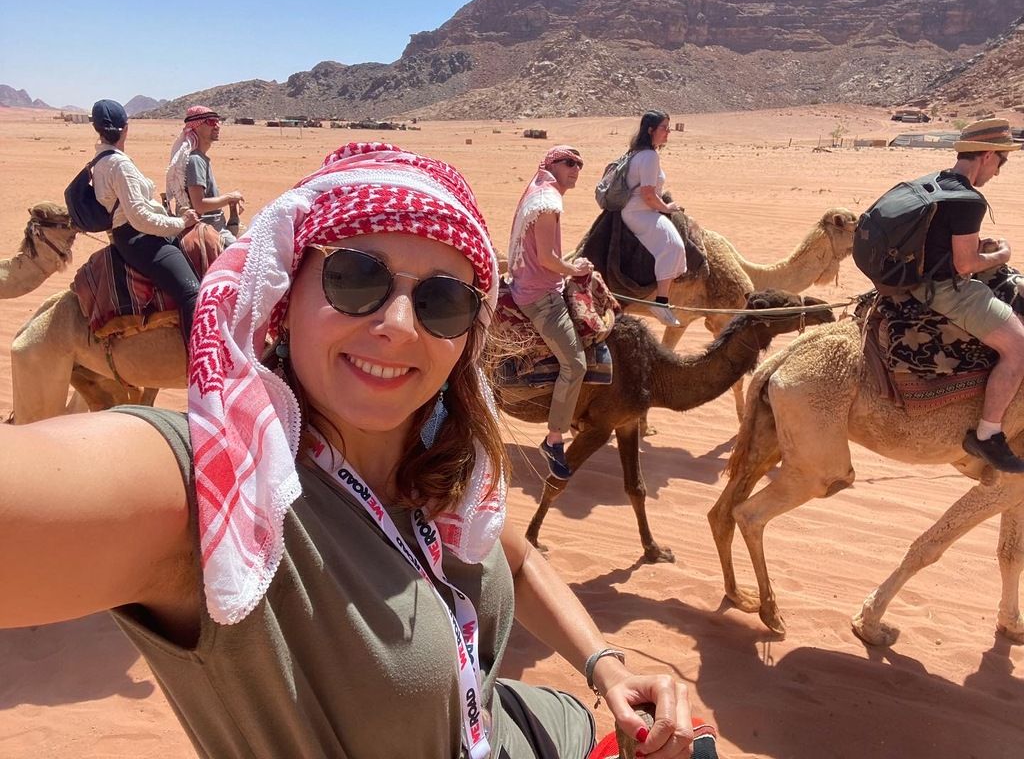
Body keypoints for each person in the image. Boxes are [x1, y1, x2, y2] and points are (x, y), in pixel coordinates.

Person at [2, 143, 706, 758]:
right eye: (356, 279)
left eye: (442, 303)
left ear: (468, 333)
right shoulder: (219, 489)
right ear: (285, 291)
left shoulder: (438, 455)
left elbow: (509, 557)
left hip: (537, 729)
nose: (399, 326)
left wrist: (605, 663)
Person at [906, 118, 1024, 472]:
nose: (999, 171)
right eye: (1001, 161)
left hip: (914, 278)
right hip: (943, 290)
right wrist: (1000, 255)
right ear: (988, 155)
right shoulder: (968, 199)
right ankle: (988, 434)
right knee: (1019, 348)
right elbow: (965, 265)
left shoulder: (934, 182)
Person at [508, 146, 592, 480]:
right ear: (551, 165)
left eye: (579, 165)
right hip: (540, 296)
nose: (575, 169)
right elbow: (546, 259)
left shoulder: (540, 192)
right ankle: (554, 438)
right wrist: (576, 269)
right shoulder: (548, 202)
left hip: (536, 284)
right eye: (569, 163)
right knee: (576, 364)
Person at [89, 98, 201, 345]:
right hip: (139, 238)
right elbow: (139, 217)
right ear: (126, 128)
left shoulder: (100, 162)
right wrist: (180, 223)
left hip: (131, 235)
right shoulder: (119, 165)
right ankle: (200, 367)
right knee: (192, 292)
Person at [620, 110, 688, 327]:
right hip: (640, 213)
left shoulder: (638, 153)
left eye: (668, 127)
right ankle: (661, 302)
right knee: (674, 246)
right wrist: (667, 208)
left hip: (637, 210)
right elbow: (648, 194)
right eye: (664, 128)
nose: (668, 132)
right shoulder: (649, 156)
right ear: (650, 130)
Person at [166, 105, 245, 246]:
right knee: (244, 256)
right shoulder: (196, 160)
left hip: (215, 225)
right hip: (211, 229)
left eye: (217, 121)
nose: (217, 126)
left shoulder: (200, 158)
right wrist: (230, 198)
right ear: (196, 127)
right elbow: (199, 205)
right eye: (210, 122)